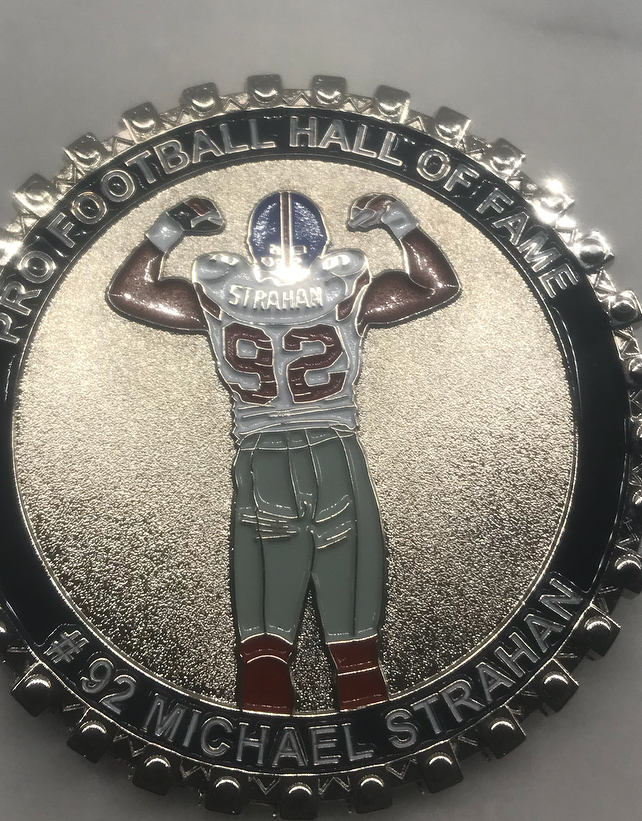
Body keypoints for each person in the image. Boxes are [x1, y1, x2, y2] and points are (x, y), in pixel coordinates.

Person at [107, 190, 459, 713]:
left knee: (265, 596)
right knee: (350, 585)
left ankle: (261, 714)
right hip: (333, 447)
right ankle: (365, 710)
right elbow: (438, 285)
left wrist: (170, 228)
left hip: (261, 453)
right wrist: (398, 222)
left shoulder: (221, 291)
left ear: (253, 246)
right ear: (321, 245)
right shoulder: (345, 288)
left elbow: (130, 292)